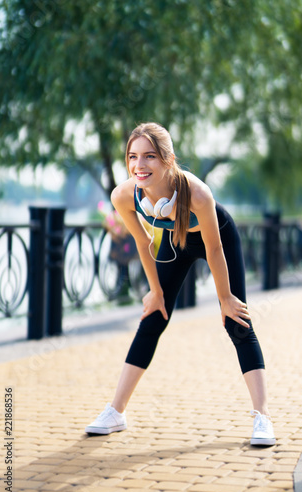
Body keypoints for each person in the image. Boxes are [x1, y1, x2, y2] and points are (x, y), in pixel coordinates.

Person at [85, 122, 276, 446]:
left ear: (168, 159)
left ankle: (263, 417)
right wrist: (155, 292)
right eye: (133, 157)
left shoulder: (198, 193)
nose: (139, 165)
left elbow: (214, 250)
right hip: (176, 242)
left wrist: (226, 297)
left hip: (217, 238)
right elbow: (144, 241)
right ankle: (116, 412)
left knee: (237, 322)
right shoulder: (123, 195)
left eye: (149, 157)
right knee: (153, 317)